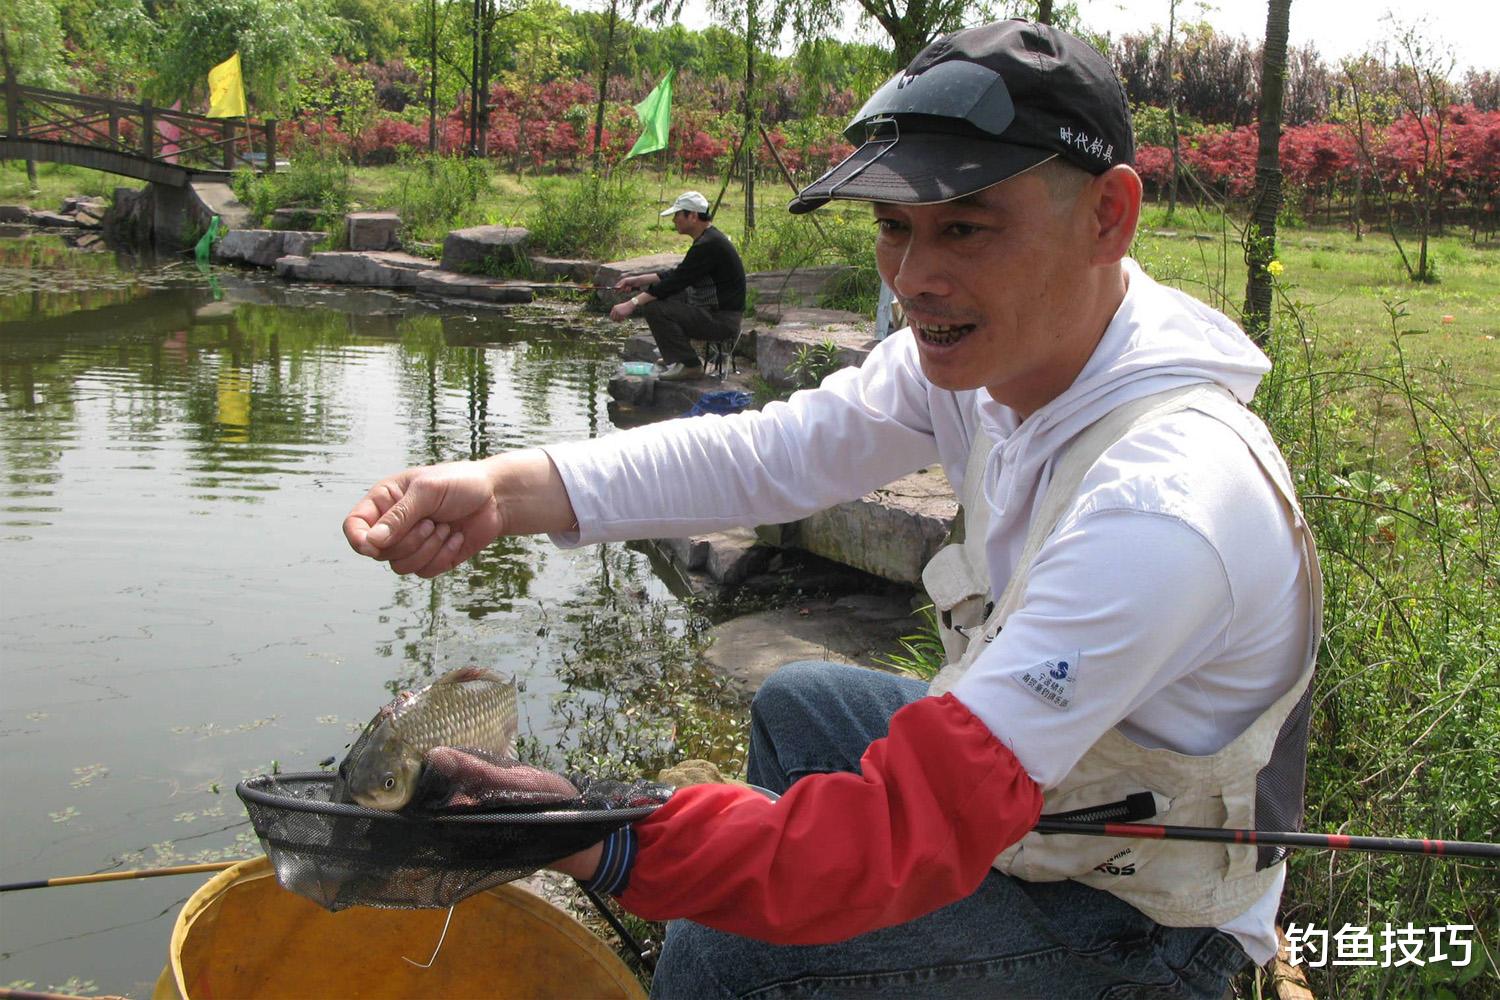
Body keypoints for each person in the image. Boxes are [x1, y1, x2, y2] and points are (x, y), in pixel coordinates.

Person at [343, 19, 1319, 1000]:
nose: (914, 278)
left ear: (1109, 215)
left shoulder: (1164, 507)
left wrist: (585, 828)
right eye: (895, 226)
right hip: (1056, 807)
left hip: (1149, 924)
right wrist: (502, 491)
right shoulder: (994, 359)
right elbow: (779, 452)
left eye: (965, 226)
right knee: (802, 704)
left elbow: (898, 831)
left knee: (725, 956)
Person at [608, 190, 746, 380]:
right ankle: (677, 357)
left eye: (677, 215)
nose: (674, 220)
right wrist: (638, 281)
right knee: (667, 297)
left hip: (722, 321)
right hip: (715, 313)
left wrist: (632, 303)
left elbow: (674, 282)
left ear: (693, 216)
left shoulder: (708, 245)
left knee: (654, 307)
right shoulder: (709, 239)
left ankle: (689, 365)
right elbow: (679, 274)